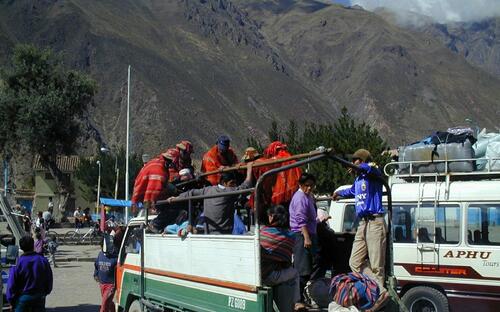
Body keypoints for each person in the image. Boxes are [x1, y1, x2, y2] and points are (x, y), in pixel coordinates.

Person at [332, 149, 389, 307]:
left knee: (377, 265)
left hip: (375, 221)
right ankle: (379, 289)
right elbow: (351, 191)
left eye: (355, 161)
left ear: (362, 161)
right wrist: (339, 193)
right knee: (354, 262)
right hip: (363, 223)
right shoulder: (358, 180)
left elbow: (370, 168)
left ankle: (378, 297)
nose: (352, 165)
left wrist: (360, 167)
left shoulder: (373, 172)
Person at [168, 162, 254, 234]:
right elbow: (246, 186)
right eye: (232, 183)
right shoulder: (229, 192)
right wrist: (249, 169)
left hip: (208, 231)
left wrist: (177, 198)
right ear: (224, 183)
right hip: (223, 232)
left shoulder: (208, 190)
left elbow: (192, 192)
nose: (234, 186)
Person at [260, 205, 301, 312]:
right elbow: (287, 259)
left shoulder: (262, 231)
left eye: (269, 215)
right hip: (270, 276)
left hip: (258, 275)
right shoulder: (290, 235)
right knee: (295, 273)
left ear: (273, 217)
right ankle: (297, 302)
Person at [289, 173, 318, 303]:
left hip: (309, 233)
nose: (310, 188)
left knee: (307, 267)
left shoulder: (308, 196)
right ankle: (297, 299)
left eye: (312, 185)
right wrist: (306, 237)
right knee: (302, 270)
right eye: (307, 186)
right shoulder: (300, 198)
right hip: (302, 235)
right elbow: (301, 220)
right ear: (301, 185)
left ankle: (300, 297)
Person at [6, 235, 53, 311]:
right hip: (39, 297)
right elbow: (49, 279)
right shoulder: (43, 260)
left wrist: (10, 300)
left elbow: (11, 284)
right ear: (33, 245)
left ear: (21, 248)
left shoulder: (17, 263)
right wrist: (45, 292)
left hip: (22, 299)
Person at [131, 149, 177, 216]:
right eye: (170, 162)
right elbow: (156, 186)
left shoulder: (155, 163)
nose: (170, 164)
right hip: (150, 197)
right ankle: (152, 210)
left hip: (143, 187)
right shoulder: (160, 169)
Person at [94, 237, 119, 312]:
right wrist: (96, 274)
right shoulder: (100, 254)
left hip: (111, 285)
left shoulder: (115, 257)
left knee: (104, 305)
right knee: (108, 302)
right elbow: (96, 265)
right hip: (102, 284)